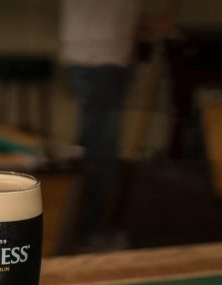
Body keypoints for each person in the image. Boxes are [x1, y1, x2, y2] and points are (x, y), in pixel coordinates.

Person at [59, 0, 141, 250]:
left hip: (94, 56)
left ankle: (78, 227)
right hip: (101, 60)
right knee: (100, 150)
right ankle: (90, 231)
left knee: (94, 145)